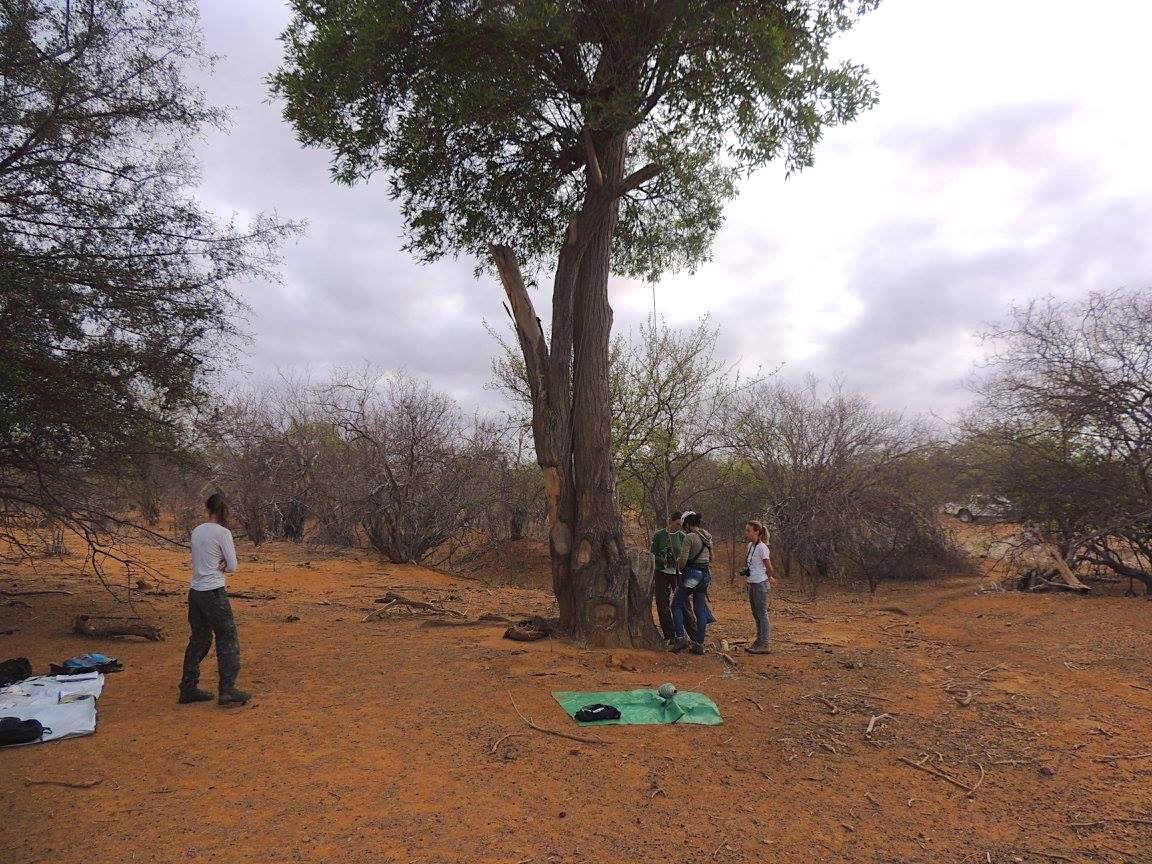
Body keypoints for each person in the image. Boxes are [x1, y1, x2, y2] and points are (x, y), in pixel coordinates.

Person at [178, 493, 250, 707]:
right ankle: (227, 690)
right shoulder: (223, 533)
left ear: (208, 508)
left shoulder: (197, 531)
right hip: (213, 591)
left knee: (199, 638)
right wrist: (224, 565)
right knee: (227, 637)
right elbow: (233, 566)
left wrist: (221, 564)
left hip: (196, 590)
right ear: (224, 510)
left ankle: (188, 687)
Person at [671, 511, 715, 655]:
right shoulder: (707, 536)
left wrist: (678, 563)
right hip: (705, 576)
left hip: (692, 575)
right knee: (699, 609)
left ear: (688, 525)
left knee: (676, 604)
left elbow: (683, 562)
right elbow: (711, 557)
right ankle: (699, 644)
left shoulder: (690, 537)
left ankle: (680, 638)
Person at [651, 512, 696, 642]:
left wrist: (679, 561)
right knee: (662, 603)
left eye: (680, 525)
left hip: (677, 573)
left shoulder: (682, 537)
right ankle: (669, 635)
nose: (678, 527)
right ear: (670, 521)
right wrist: (663, 559)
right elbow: (652, 554)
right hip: (662, 572)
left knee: (684, 603)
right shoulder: (659, 535)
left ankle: (694, 635)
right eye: (677, 524)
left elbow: (686, 556)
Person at [742, 520, 778, 654]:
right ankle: (759, 640)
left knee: (762, 613)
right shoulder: (750, 546)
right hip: (752, 582)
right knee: (756, 613)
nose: (746, 533)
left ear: (757, 532)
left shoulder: (762, 548)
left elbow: (769, 567)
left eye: (748, 531)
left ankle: (764, 643)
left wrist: (769, 577)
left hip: (759, 583)